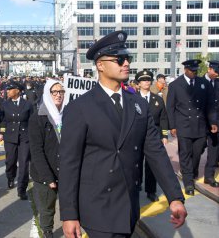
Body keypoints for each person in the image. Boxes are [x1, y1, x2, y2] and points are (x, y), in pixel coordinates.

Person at [59, 31, 186, 238]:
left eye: (128, 58)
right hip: (97, 206)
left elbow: (155, 151)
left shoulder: (137, 104)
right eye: (119, 59)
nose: (126, 63)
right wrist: (69, 214)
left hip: (128, 205)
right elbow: (69, 163)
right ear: (100, 65)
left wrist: (174, 196)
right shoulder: (80, 107)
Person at [167, 59, 218, 195]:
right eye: (192, 71)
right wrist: (172, 126)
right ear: (185, 70)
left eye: (196, 71)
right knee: (185, 154)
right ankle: (188, 183)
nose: (194, 73)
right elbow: (170, 107)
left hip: (200, 125)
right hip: (183, 125)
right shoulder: (175, 85)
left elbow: (210, 105)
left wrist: (213, 121)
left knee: (197, 152)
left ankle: (192, 170)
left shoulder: (204, 83)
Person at [29, 79, 65, 238]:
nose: (58, 95)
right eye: (54, 92)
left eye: (61, 92)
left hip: (65, 171)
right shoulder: (38, 117)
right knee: (47, 208)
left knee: (68, 206)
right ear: (47, 94)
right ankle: (48, 231)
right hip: (45, 174)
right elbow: (36, 151)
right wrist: (48, 177)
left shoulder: (69, 115)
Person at [135, 70, 169, 202]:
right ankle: (136, 185)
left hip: (152, 136)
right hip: (136, 136)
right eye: (143, 80)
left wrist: (164, 135)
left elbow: (163, 119)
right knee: (135, 163)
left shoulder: (157, 99)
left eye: (148, 80)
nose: (146, 82)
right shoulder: (131, 98)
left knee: (151, 164)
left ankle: (151, 190)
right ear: (138, 83)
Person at [0, 81, 34, 200]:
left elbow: (31, 121)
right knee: (10, 161)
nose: (7, 91)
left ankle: (22, 189)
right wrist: (1, 132)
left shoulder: (28, 104)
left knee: (24, 164)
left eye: (10, 89)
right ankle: (10, 177)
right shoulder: (5, 104)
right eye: (7, 89)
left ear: (17, 90)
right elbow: (3, 120)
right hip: (10, 136)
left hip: (25, 137)